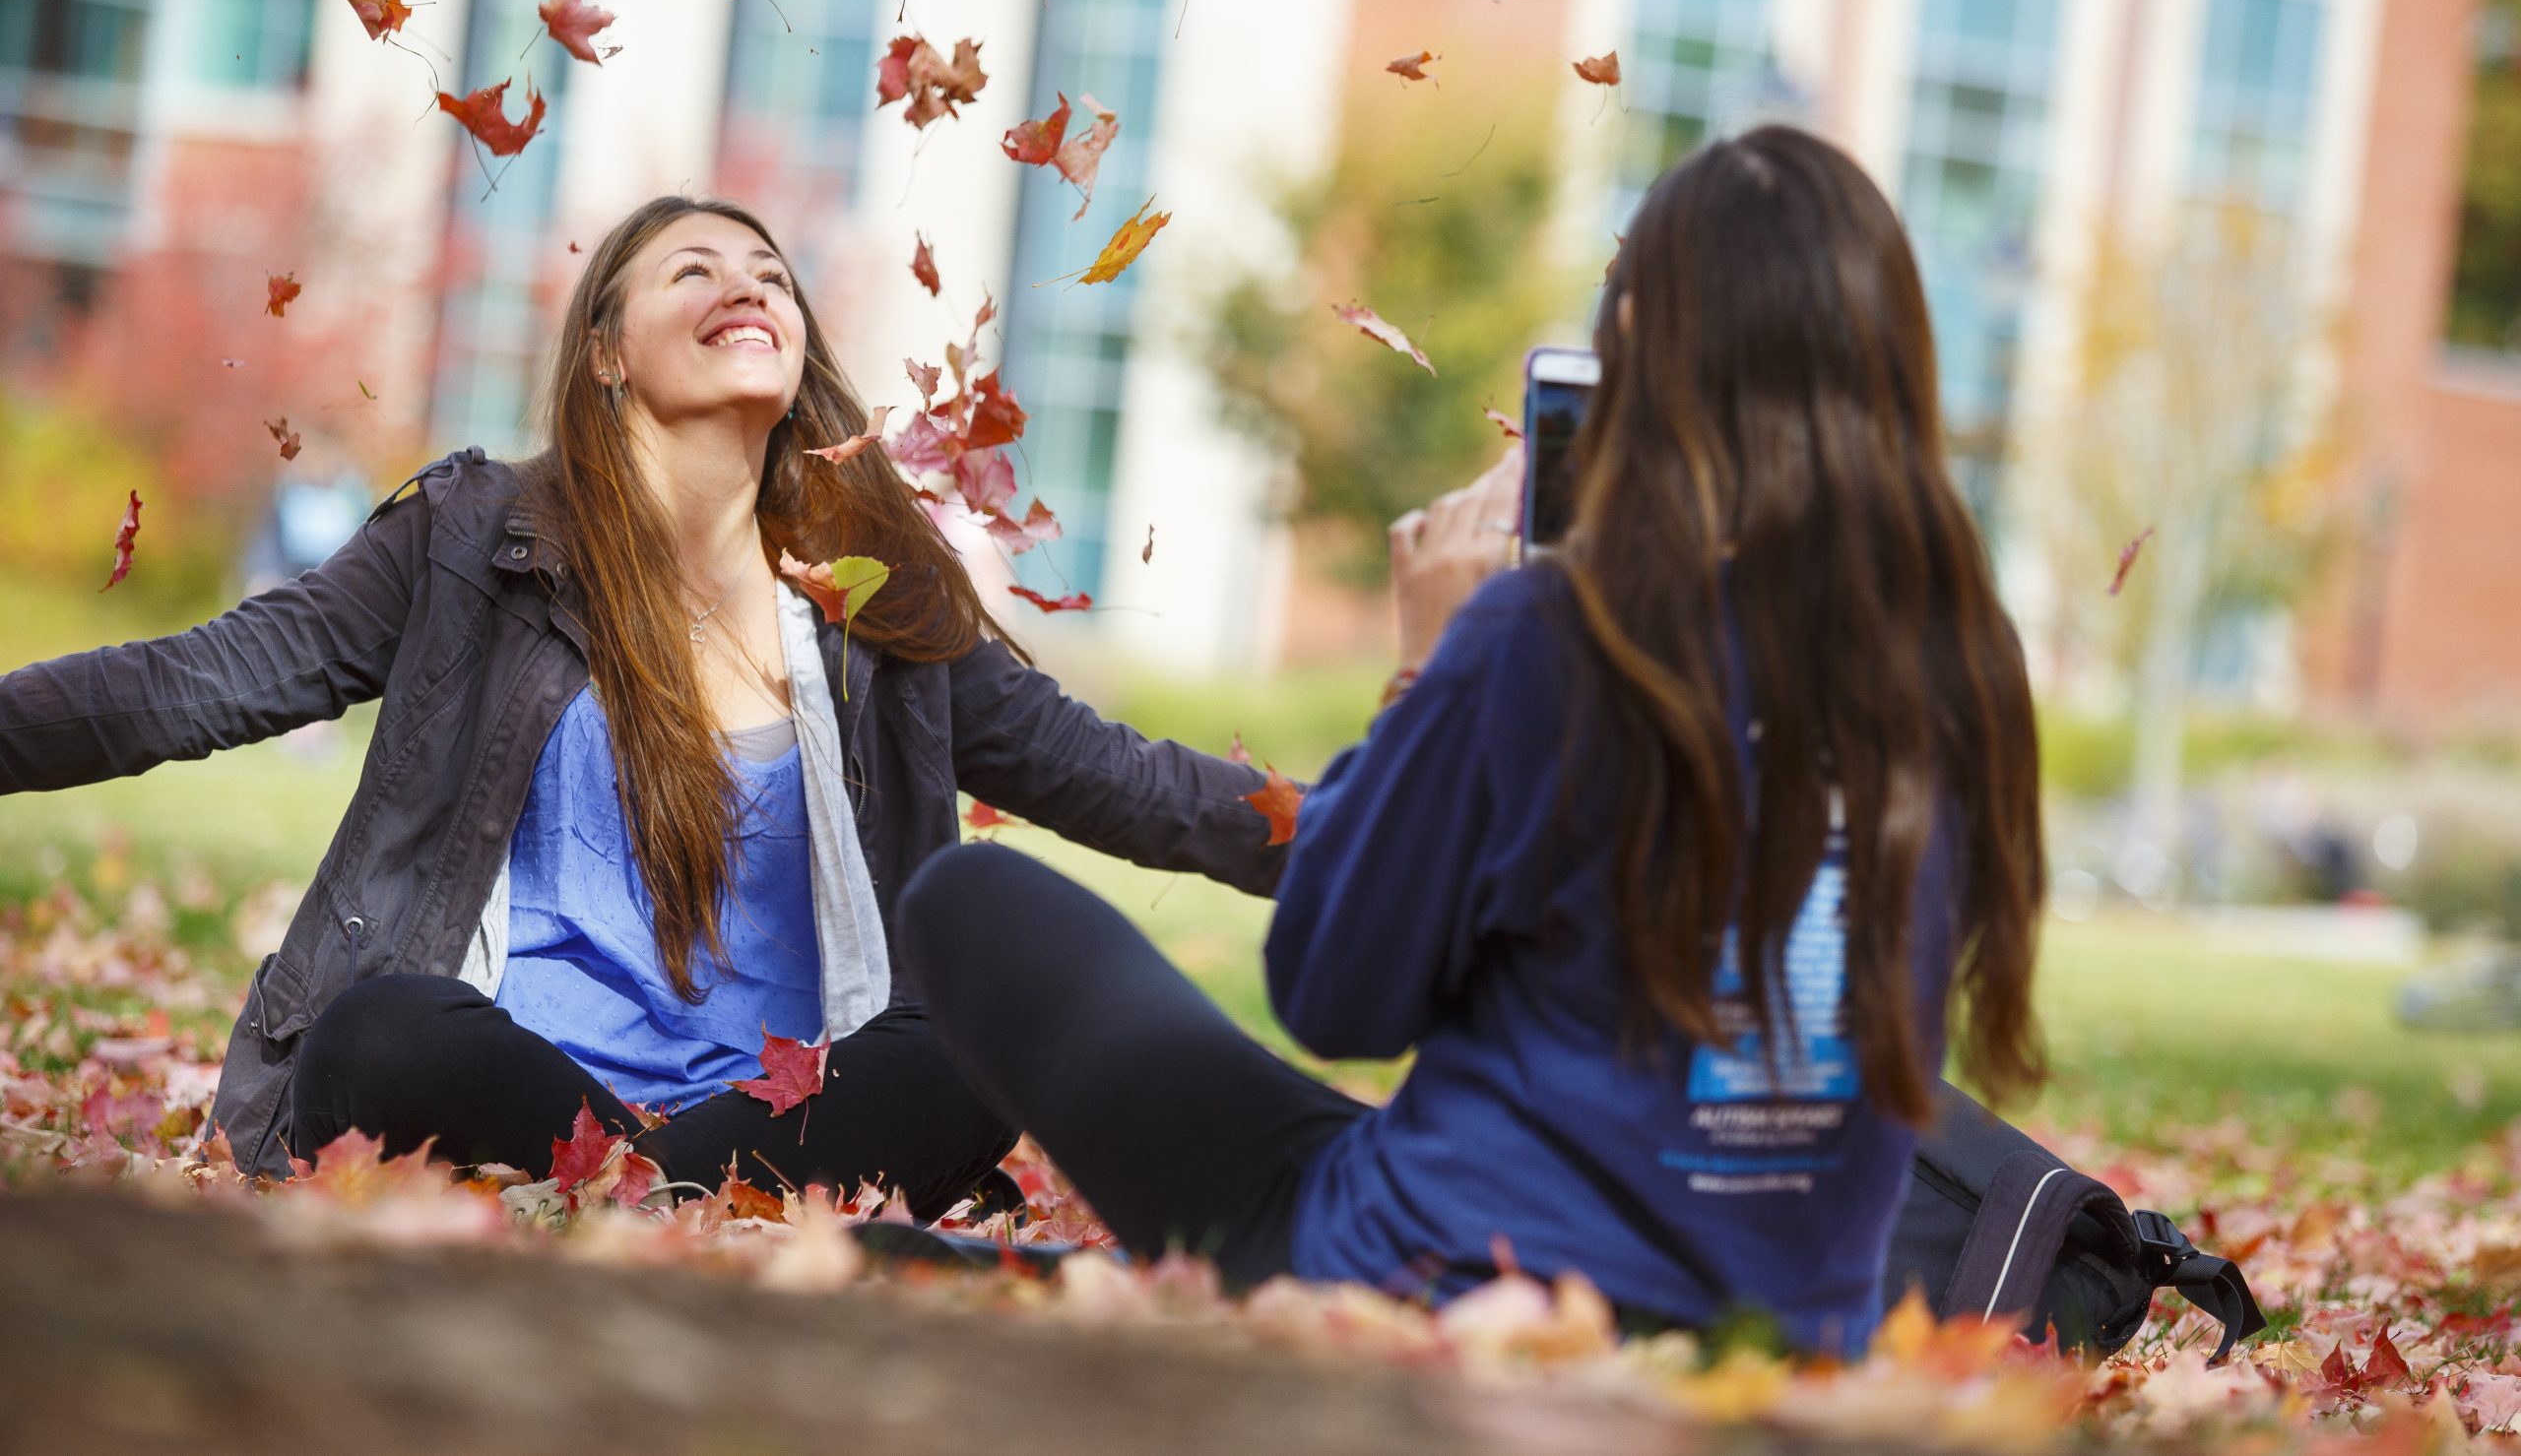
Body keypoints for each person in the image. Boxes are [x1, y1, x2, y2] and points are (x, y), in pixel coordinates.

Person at [896, 125, 2049, 1353]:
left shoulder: (1542, 637)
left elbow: (1337, 995)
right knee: (1333, 1123)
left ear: (1635, 354)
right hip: (1784, 1341)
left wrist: (1426, 670)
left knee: (976, 901)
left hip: (1438, 1290)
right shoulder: (1959, 670)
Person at [0, 196, 1283, 1212]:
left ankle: (640, 1200)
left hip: (782, 1120)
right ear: (606, 350)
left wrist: (1426, 848)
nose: (748, 284)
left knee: (962, 1046)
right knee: (379, 1032)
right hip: (505, 1092)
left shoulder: (876, 604)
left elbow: (1131, 783)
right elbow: (195, 682)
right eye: (695, 268)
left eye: (772, 274)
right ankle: (669, 1200)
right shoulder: (474, 541)